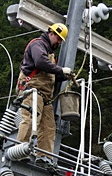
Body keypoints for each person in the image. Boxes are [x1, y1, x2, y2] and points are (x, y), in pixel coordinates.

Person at [16, 23, 72, 162]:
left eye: (60, 40)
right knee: (30, 120)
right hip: (32, 91)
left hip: (45, 96)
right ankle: (21, 150)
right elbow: (40, 62)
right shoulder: (38, 45)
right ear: (51, 33)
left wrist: (64, 75)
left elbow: (50, 73)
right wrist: (60, 70)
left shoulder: (50, 54)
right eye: (58, 39)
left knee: (48, 128)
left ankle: (45, 157)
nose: (58, 42)